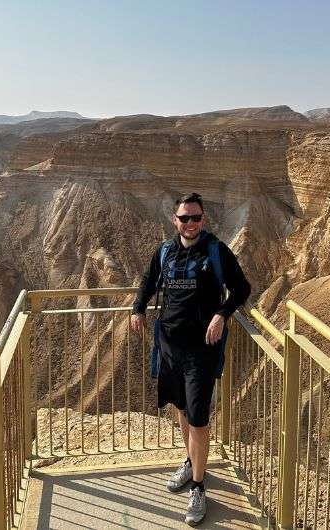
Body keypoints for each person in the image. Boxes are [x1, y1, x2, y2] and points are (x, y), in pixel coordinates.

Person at [131, 192, 251, 526]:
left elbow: (241, 288)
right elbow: (147, 281)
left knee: (198, 419)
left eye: (195, 218)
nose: (190, 223)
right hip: (170, 347)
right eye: (184, 218)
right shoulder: (166, 251)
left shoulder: (215, 251)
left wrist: (222, 314)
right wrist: (138, 307)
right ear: (175, 220)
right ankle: (190, 461)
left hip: (201, 351)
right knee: (181, 410)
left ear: (203, 220)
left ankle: (199, 486)